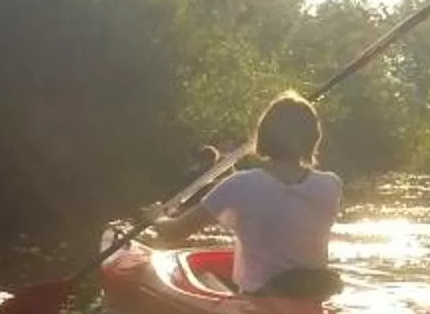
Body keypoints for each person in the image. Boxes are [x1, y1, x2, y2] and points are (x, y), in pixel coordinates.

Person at [144, 92, 343, 299]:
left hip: (260, 302)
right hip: (313, 297)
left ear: (264, 135)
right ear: (313, 138)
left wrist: (155, 218)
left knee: (204, 275)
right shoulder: (330, 185)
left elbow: (174, 232)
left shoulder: (241, 184)